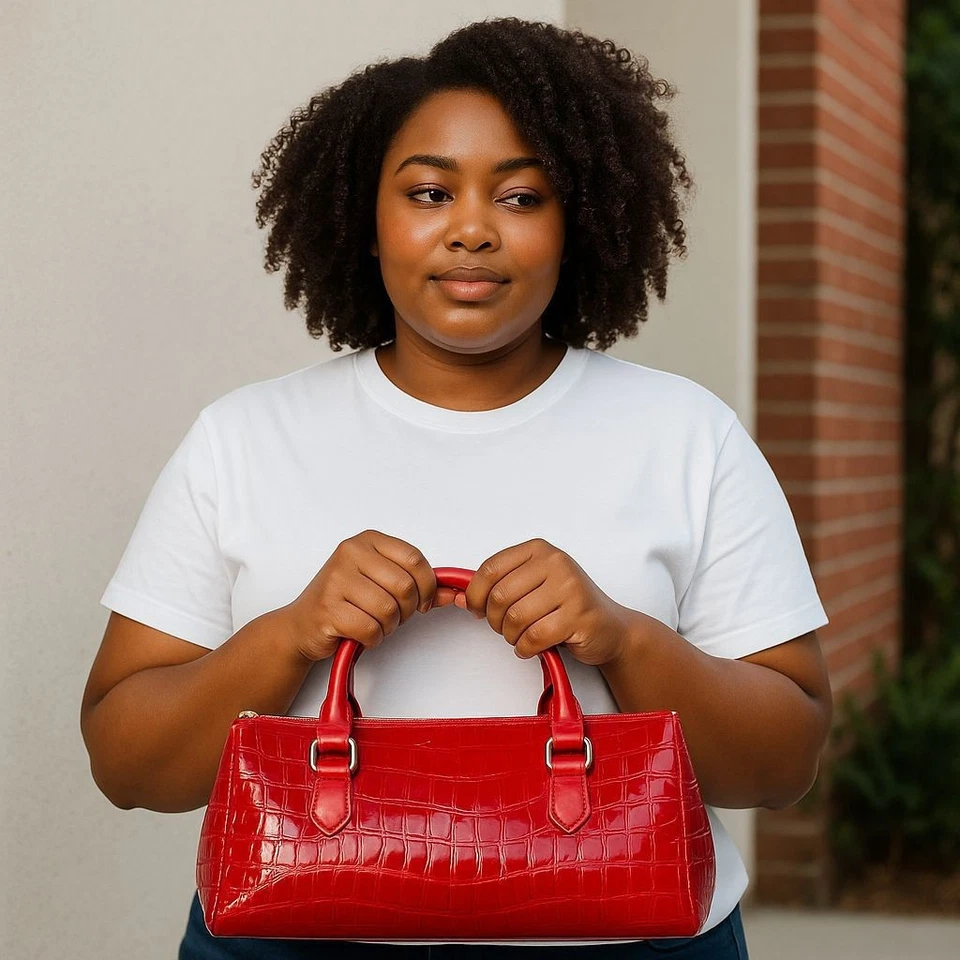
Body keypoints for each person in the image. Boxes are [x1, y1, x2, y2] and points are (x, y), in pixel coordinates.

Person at [80, 16, 832, 960]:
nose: (472, 229)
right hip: (289, 942)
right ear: (366, 218)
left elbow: (784, 763)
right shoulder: (242, 439)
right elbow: (124, 761)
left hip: (632, 942)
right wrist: (290, 634)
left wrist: (627, 640)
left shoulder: (687, 435)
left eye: (521, 196)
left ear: (582, 220)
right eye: (429, 192)